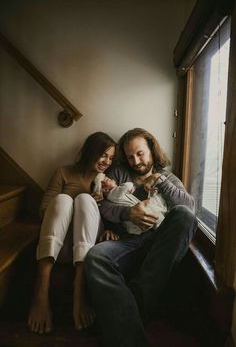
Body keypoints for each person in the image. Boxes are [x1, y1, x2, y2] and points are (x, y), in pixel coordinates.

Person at [84, 128, 197, 347]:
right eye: (129, 156)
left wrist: (161, 181)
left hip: (161, 241)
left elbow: (190, 209)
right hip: (128, 241)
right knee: (96, 257)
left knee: (184, 214)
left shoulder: (169, 177)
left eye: (140, 153)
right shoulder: (118, 174)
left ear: (152, 150)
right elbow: (105, 206)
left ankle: (130, 311)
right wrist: (128, 213)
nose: (135, 161)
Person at [28, 132, 116, 334]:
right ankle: (40, 293)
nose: (107, 162)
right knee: (63, 200)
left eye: (111, 158)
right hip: (61, 244)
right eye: (103, 155)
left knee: (86, 200)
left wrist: (99, 205)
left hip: (88, 244)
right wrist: (71, 200)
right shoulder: (63, 172)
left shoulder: (106, 182)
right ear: (90, 151)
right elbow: (43, 210)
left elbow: (115, 214)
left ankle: (79, 290)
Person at [100, 175, 167, 235]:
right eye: (106, 180)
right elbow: (127, 185)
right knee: (154, 213)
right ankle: (164, 227)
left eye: (106, 177)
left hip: (135, 219)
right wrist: (132, 186)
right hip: (136, 215)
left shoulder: (114, 194)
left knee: (152, 216)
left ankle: (161, 228)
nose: (108, 178)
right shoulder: (113, 193)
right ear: (105, 190)